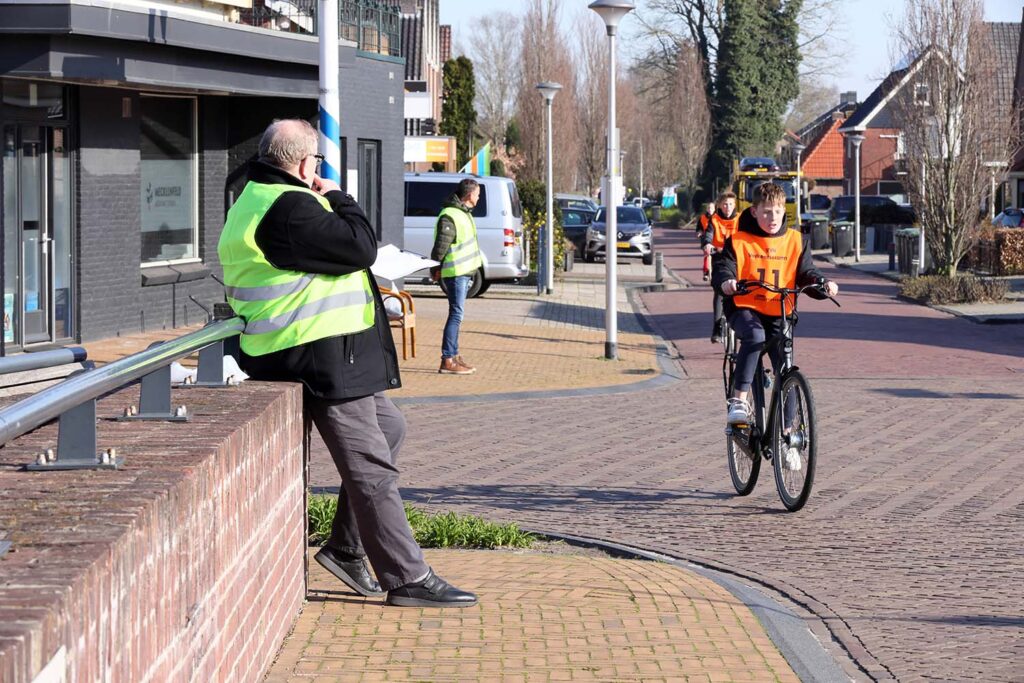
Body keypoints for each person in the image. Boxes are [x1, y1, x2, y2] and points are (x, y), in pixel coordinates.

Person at [218, 119, 477, 607]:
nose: (318, 170)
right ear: (302, 163)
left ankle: (345, 548)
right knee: (371, 467)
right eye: (316, 161)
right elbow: (359, 246)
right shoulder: (290, 206)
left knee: (390, 429)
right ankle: (408, 577)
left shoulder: (259, 196)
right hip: (315, 354)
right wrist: (339, 195)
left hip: (319, 349)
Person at [713, 182, 838, 439]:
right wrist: (727, 282)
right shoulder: (738, 241)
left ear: (785, 212)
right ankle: (738, 402)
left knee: (786, 366)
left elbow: (806, 273)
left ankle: (789, 435)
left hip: (779, 310)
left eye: (778, 211)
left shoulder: (796, 241)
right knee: (755, 337)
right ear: (755, 211)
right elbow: (724, 268)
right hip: (744, 306)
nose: (773, 218)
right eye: (767, 212)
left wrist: (822, 285)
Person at [430, 179, 482, 375]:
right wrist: (435, 268)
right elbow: (441, 246)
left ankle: (454, 355)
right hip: (456, 273)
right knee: (456, 314)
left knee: (457, 314)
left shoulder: (462, 213)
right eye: (477, 194)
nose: (478, 197)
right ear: (469, 195)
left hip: (463, 271)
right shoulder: (451, 215)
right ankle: (447, 359)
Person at [702, 192, 740, 343]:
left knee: (741, 289)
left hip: (737, 260)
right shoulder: (715, 220)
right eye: (725, 204)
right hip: (720, 259)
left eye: (730, 204)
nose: (728, 207)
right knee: (719, 290)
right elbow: (708, 235)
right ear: (719, 205)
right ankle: (717, 327)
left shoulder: (740, 220)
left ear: (735, 205)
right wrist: (707, 244)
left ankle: (740, 323)